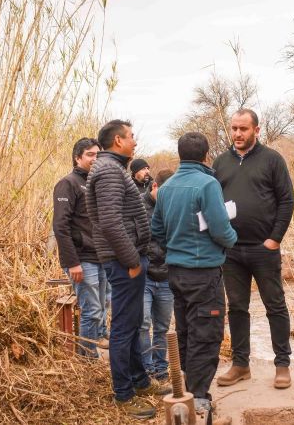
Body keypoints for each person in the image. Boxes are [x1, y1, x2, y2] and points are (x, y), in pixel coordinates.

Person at [86, 120, 168, 420]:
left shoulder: (111, 167)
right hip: (124, 262)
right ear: (118, 140)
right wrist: (132, 260)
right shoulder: (108, 171)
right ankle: (124, 393)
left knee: (132, 323)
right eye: (131, 137)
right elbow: (109, 221)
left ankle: (140, 380)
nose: (135, 141)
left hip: (127, 259)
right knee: (122, 328)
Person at [151, 132, 238, 417]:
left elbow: (157, 231)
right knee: (206, 333)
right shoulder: (207, 183)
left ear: (180, 154)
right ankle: (199, 395)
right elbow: (220, 229)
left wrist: (175, 248)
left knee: (187, 329)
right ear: (205, 155)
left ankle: (187, 385)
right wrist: (231, 237)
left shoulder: (166, 187)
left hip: (176, 272)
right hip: (204, 273)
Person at [213, 109, 294, 389]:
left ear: (256, 130)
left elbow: (287, 200)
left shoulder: (272, 160)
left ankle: (282, 364)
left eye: (243, 129)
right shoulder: (221, 162)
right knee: (236, 308)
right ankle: (240, 365)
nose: (237, 134)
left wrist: (275, 239)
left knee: (275, 305)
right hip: (231, 251)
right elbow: (213, 202)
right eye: (234, 128)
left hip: (263, 248)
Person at [52, 137, 109, 357]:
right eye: (90, 154)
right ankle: (87, 360)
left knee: (101, 309)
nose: (95, 159)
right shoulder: (68, 183)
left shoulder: (96, 182)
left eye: (98, 154)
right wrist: (72, 262)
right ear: (78, 158)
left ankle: (91, 352)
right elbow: (60, 226)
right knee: (92, 311)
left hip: (101, 257)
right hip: (82, 259)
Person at [139, 169, 175, 381]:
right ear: (154, 186)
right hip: (144, 275)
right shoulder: (137, 206)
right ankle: (147, 367)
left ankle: (161, 368)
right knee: (143, 323)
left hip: (167, 276)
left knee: (162, 326)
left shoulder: (172, 207)